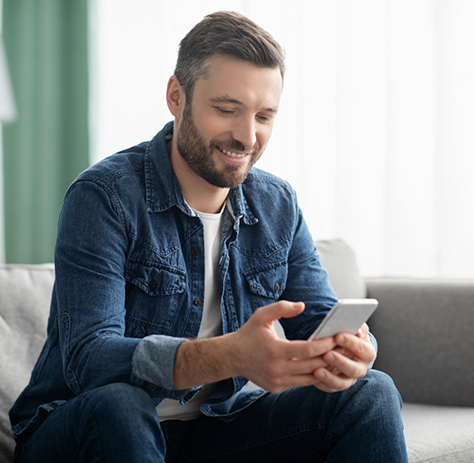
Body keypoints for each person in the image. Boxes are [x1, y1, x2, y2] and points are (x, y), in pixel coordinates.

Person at [10, 11, 408, 463]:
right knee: (119, 405)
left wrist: (353, 352)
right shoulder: (103, 197)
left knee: (371, 391)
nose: (247, 135)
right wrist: (228, 355)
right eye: (226, 109)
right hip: (81, 427)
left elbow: (319, 319)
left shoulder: (276, 204)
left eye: (264, 116)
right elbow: (90, 361)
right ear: (177, 97)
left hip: (215, 429)